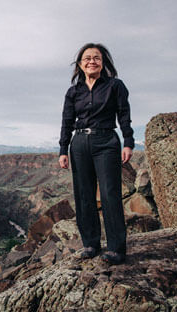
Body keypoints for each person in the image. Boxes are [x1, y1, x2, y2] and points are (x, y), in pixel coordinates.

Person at [59, 43, 133, 264]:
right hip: (79, 143)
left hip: (106, 141)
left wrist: (128, 142)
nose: (92, 61)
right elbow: (67, 121)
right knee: (84, 195)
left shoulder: (115, 86)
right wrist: (63, 149)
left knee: (110, 195)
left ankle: (116, 248)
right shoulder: (74, 92)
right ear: (80, 64)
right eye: (87, 58)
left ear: (103, 62)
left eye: (96, 58)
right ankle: (90, 244)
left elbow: (124, 115)